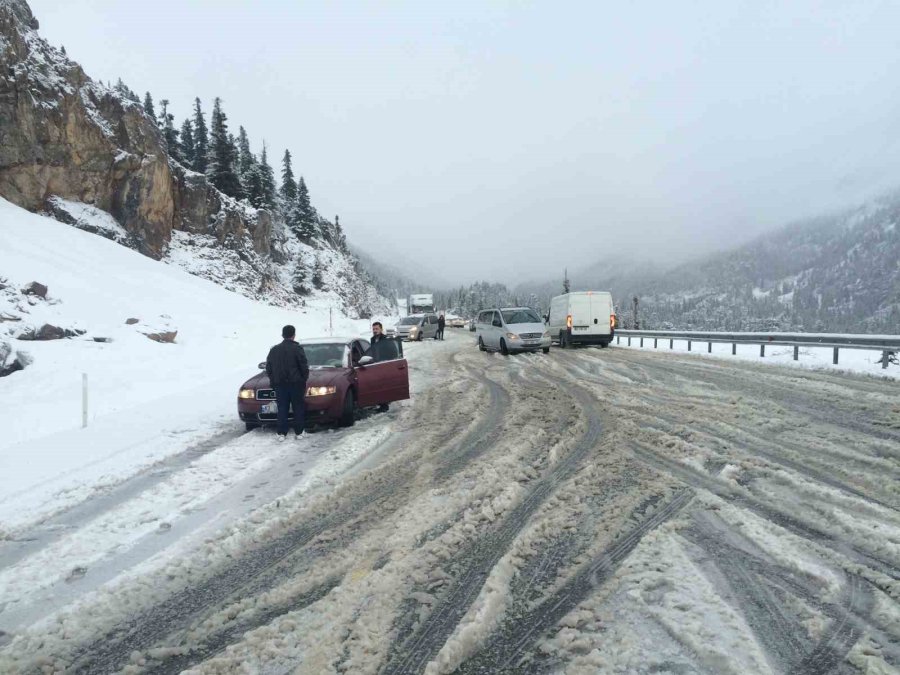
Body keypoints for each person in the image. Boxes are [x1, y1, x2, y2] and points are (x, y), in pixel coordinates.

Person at [265, 325, 309, 440]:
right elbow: (303, 366)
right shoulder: (297, 349)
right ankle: (299, 432)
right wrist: (304, 379)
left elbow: (268, 368)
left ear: (283, 335)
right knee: (298, 407)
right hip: (296, 384)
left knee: (282, 408)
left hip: (280, 385)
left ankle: (281, 433)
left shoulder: (274, 350)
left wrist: (273, 381)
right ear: (293, 335)